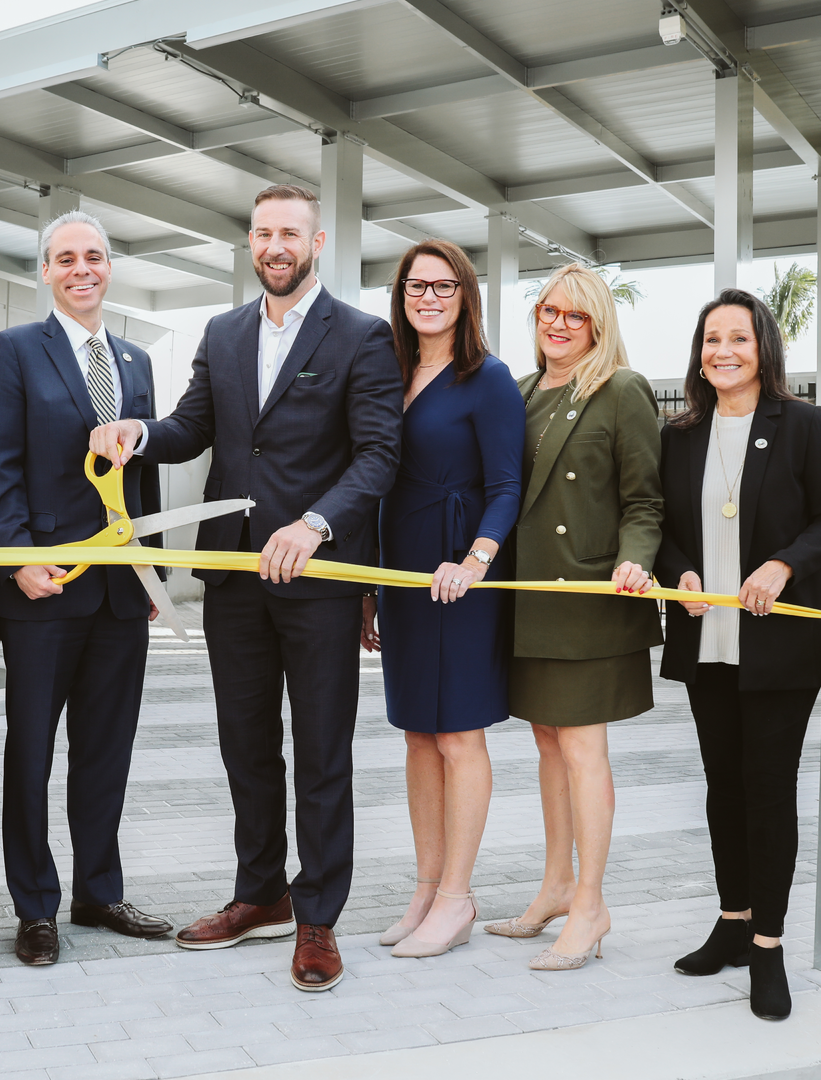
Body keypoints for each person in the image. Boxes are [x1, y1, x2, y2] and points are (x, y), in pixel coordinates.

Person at [90, 184, 402, 993]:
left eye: (289, 233)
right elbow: (193, 427)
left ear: (317, 242)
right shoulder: (223, 333)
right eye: (263, 233)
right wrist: (137, 433)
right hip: (233, 576)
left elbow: (378, 454)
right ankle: (260, 894)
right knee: (246, 746)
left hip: (319, 578)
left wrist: (316, 524)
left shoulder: (363, 336)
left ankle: (318, 916)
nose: (274, 246)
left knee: (322, 752)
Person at [0, 209, 173, 967]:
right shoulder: (16, 349)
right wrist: (15, 560)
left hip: (122, 592)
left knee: (106, 750)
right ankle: (35, 906)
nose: (81, 268)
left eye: (93, 255)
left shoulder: (135, 360)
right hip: (44, 588)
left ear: (110, 266)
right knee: (31, 751)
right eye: (66, 258)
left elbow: (144, 476)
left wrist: (151, 571)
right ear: (46, 271)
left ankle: (99, 891)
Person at [656, 289, 821, 1022]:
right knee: (723, 786)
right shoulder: (679, 435)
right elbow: (662, 527)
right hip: (707, 637)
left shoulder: (802, 424)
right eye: (712, 340)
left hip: (778, 644)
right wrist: (680, 573)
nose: (724, 352)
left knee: (768, 790)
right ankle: (732, 922)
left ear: (763, 347)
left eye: (738, 338)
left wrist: (782, 565)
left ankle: (768, 945)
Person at [485, 263, 661, 973]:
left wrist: (636, 559)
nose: (557, 324)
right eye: (548, 311)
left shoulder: (621, 389)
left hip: (589, 596)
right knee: (548, 746)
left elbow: (644, 500)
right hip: (529, 601)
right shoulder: (521, 391)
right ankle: (557, 884)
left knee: (583, 749)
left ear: (598, 325)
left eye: (575, 315)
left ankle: (591, 904)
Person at [360, 239, 523, 959]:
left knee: (458, 735)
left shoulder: (488, 378)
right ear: (400, 296)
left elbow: (507, 484)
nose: (428, 297)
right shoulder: (386, 374)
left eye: (443, 285)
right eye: (415, 285)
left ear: (465, 295)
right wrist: (369, 584)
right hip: (400, 573)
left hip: (460, 577)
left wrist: (476, 558)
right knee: (417, 735)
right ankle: (426, 889)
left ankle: (458, 897)